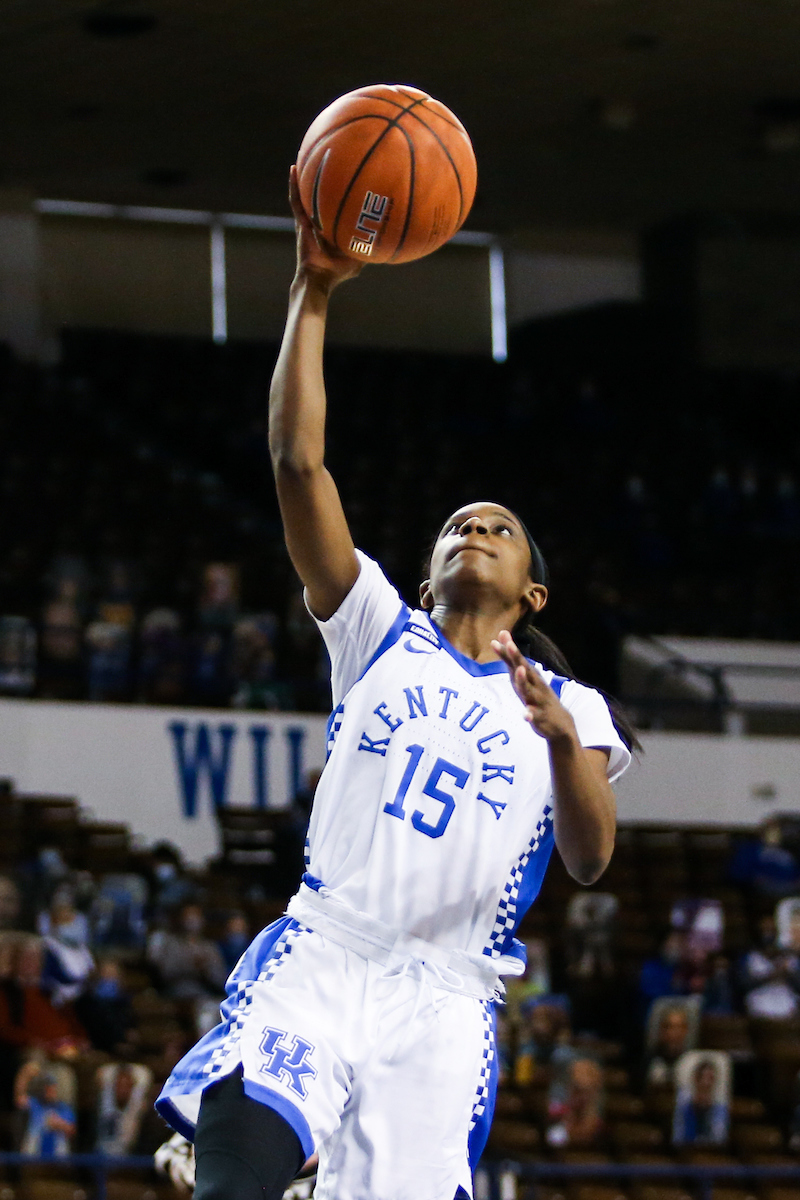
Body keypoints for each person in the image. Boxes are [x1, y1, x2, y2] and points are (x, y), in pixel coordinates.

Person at [156, 167, 634, 1200]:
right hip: (329, 943)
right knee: (236, 1162)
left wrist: (557, 741)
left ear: (534, 592)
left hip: (446, 1000)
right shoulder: (378, 629)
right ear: (424, 575)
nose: (476, 531)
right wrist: (312, 289)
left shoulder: (574, 708)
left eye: (499, 529)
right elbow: (296, 462)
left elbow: (591, 859)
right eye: (459, 524)